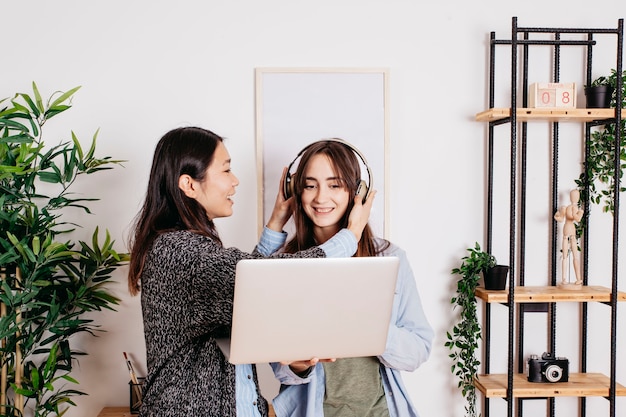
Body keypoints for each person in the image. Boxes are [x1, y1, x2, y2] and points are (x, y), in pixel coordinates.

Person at [127, 127, 375, 417]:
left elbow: (246, 289)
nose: (235, 181)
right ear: (189, 185)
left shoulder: (187, 248)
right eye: (226, 170)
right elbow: (258, 279)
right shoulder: (178, 251)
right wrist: (350, 236)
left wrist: (276, 223)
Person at [271, 139, 434, 417]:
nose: (321, 197)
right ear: (296, 191)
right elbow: (281, 370)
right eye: (310, 185)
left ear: (357, 192)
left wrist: (369, 322)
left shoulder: (390, 258)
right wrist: (298, 364)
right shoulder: (284, 262)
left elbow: (417, 351)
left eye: (335, 185)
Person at [554, 189, 584, 285]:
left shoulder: (566, 207)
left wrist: (557, 215)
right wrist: (580, 212)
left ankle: (565, 279)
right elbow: (577, 219)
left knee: (566, 255)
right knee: (574, 255)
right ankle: (576, 278)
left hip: (566, 228)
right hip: (571, 229)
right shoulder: (573, 208)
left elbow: (560, 219)